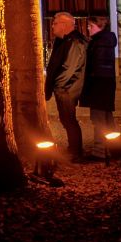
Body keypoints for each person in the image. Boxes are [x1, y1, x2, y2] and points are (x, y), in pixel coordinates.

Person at [44, 11, 89, 160]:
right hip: (64, 88)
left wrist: (59, 86)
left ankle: (75, 151)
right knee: (66, 119)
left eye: (55, 23)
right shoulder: (63, 40)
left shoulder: (75, 42)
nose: (52, 26)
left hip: (68, 89)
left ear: (64, 25)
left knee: (69, 119)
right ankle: (73, 148)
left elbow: (69, 68)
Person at [80, 15, 118, 153]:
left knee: (99, 119)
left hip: (99, 85)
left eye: (91, 26)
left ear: (100, 26)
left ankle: (100, 149)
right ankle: (114, 148)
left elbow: (96, 67)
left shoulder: (99, 43)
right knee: (107, 119)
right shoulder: (104, 41)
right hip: (105, 84)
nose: (88, 29)